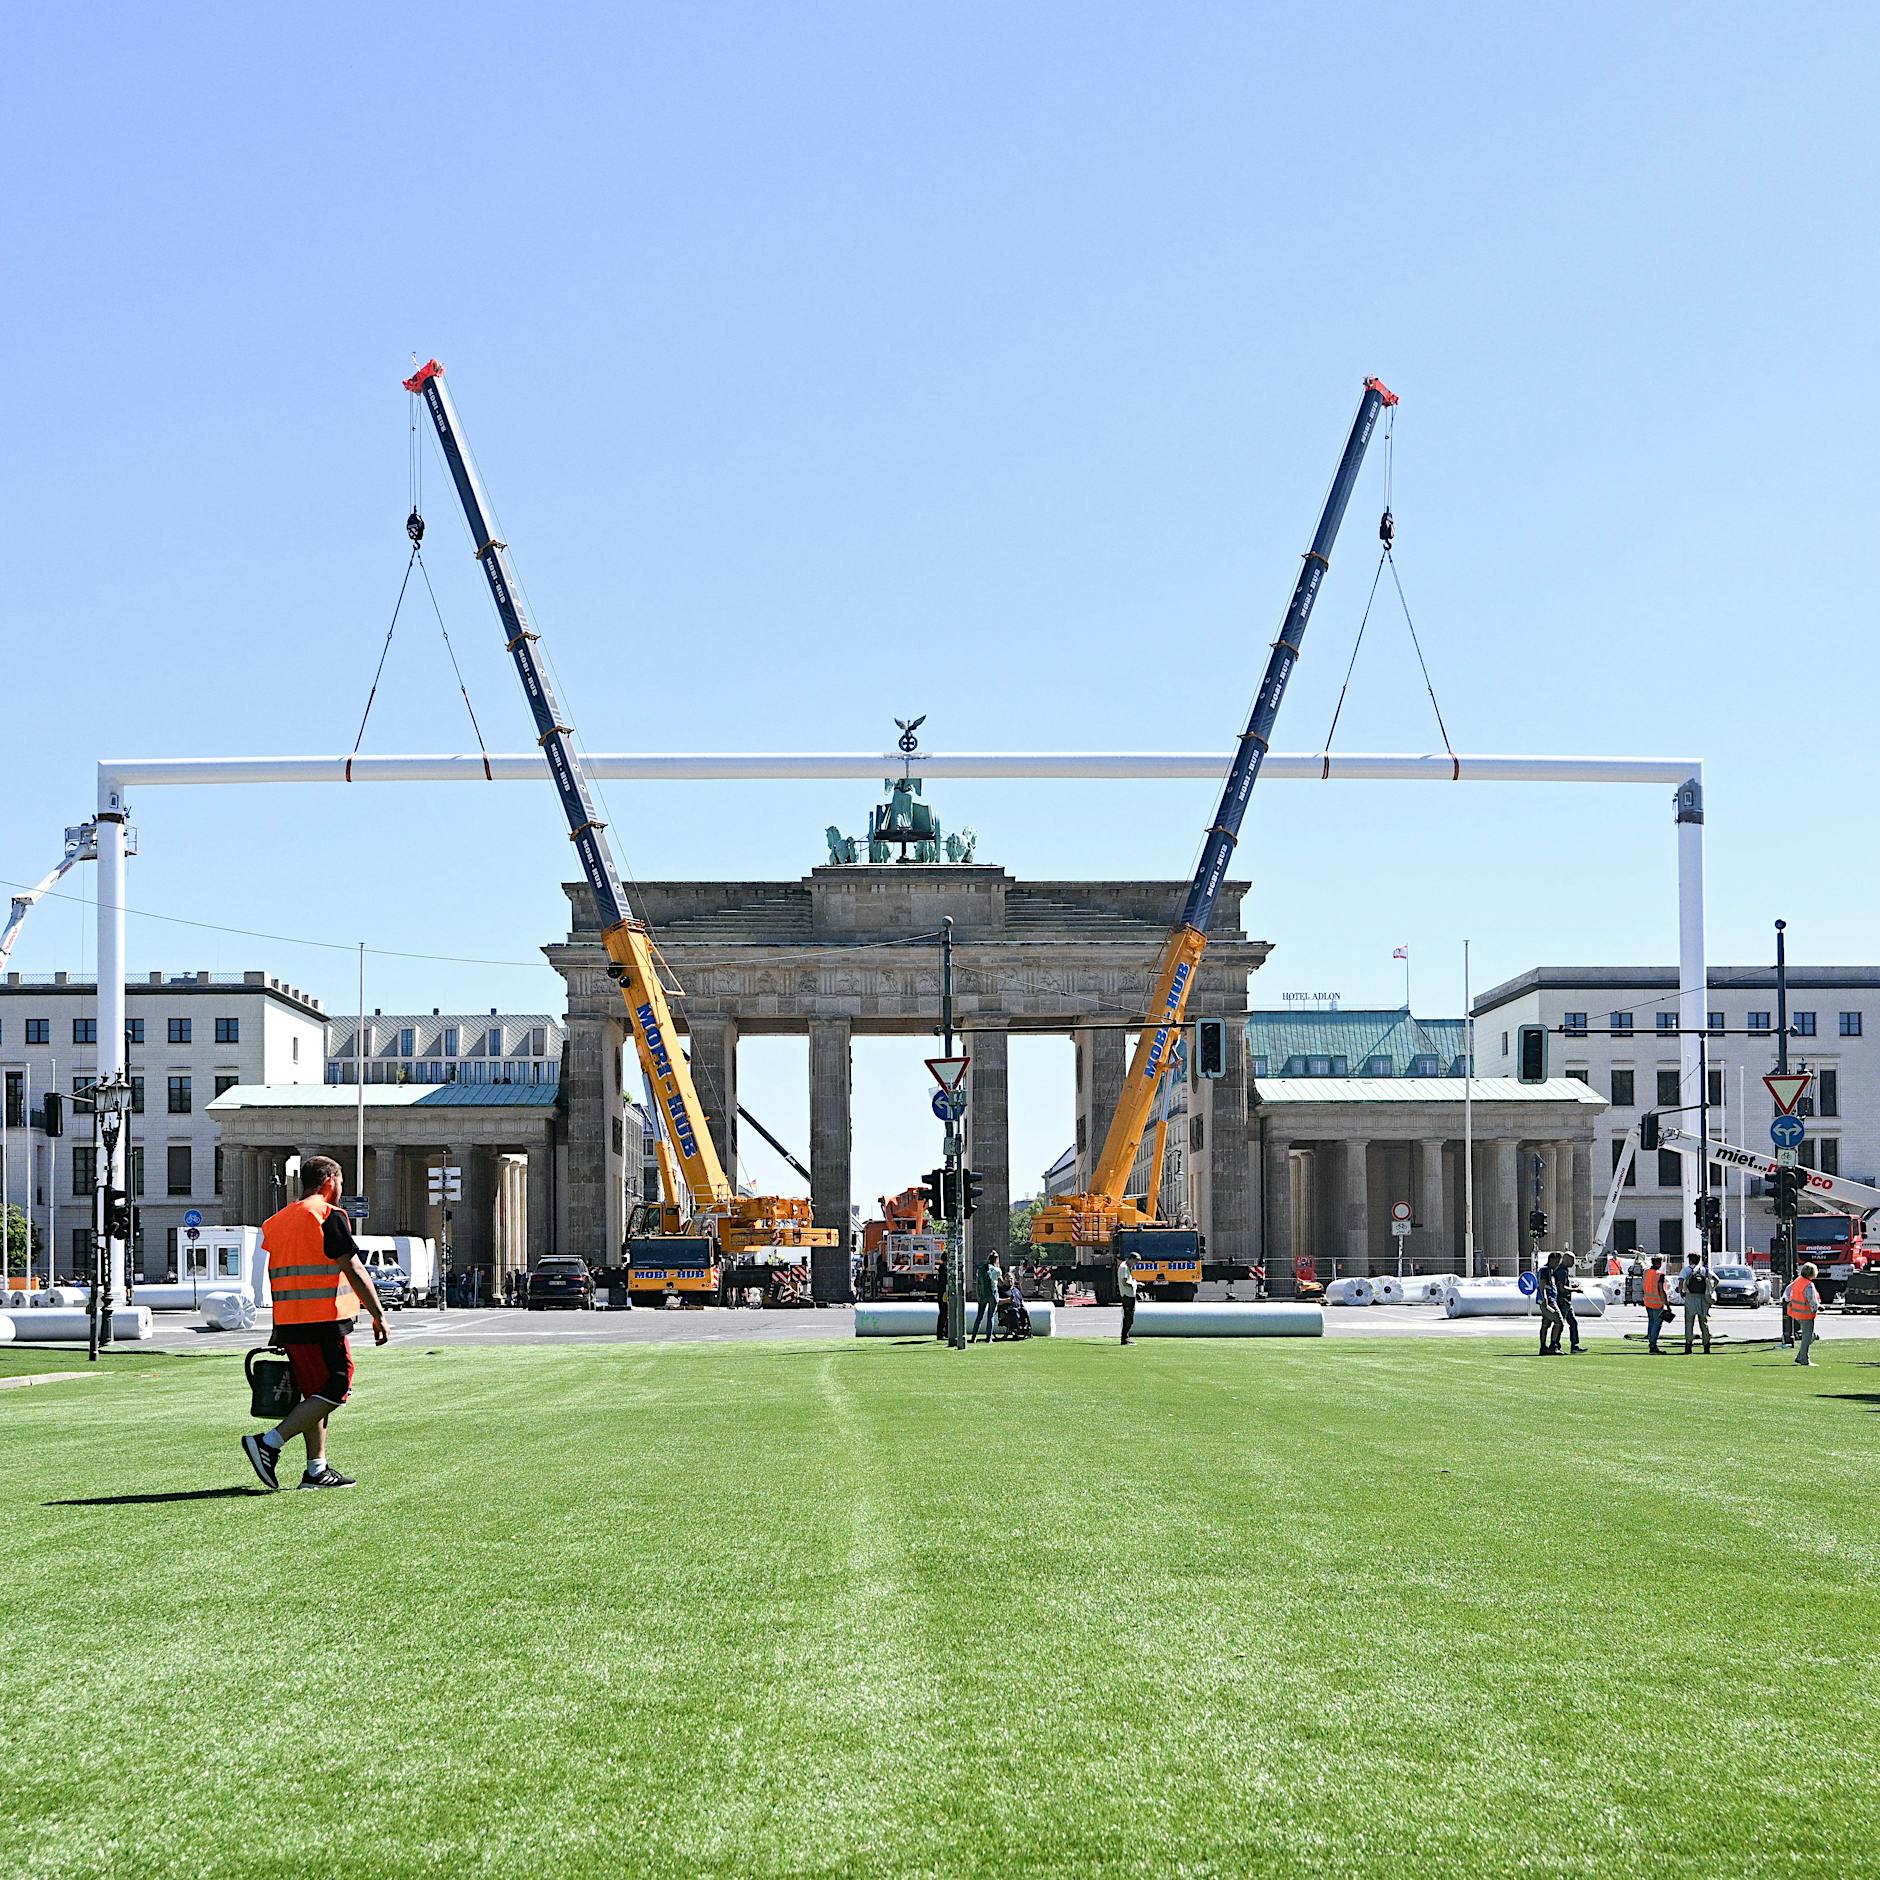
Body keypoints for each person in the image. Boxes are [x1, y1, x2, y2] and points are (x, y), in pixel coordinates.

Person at [242, 1156, 388, 1491]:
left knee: (315, 1394)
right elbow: (354, 1269)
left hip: (292, 1323)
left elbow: (278, 1278)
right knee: (336, 1388)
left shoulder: (277, 1221)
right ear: (330, 1180)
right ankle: (269, 1443)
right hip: (324, 1319)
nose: (341, 1190)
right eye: (341, 1182)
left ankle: (316, 1470)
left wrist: (277, 1328)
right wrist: (378, 1314)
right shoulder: (326, 1215)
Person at [1787, 1262, 1822, 1366]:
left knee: (1812, 1335)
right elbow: (1812, 1300)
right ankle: (1804, 1359)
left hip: (1797, 1312)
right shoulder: (1808, 1284)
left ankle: (1800, 1356)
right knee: (1808, 1336)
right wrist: (1818, 1307)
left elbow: (1788, 1291)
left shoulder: (1798, 1281)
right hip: (1806, 1313)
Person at [1681, 1254, 1713, 1355]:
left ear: (1690, 1260)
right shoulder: (1705, 1270)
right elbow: (1716, 1279)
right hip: (1703, 1298)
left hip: (1690, 1297)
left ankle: (1688, 1346)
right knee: (1703, 1323)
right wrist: (1711, 1289)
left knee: (1689, 1323)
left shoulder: (1686, 1270)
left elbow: (1681, 1280)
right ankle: (1706, 1346)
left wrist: (1682, 1291)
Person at [969, 1252, 1003, 1343]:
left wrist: (979, 1295)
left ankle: (973, 1337)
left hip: (983, 1294)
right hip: (992, 1294)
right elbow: (1001, 1282)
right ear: (996, 1260)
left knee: (979, 1316)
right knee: (990, 1316)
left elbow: (978, 1282)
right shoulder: (997, 1270)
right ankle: (988, 1337)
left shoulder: (982, 1269)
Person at [1554, 1252, 1583, 1354]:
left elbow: (1564, 1284)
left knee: (1572, 1323)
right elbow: (1561, 1288)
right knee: (1561, 1324)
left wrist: (1573, 1286)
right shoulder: (1562, 1271)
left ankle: (1574, 1346)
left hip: (1566, 1301)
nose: (1573, 1263)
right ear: (1566, 1260)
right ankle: (1556, 1345)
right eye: (1572, 1260)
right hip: (1563, 1301)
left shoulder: (1563, 1270)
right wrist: (1575, 1290)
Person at [1537, 1254, 1564, 1356]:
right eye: (1557, 1262)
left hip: (1548, 1300)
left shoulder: (1549, 1271)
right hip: (1548, 1301)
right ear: (1551, 1260)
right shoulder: (1545, 1270)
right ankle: (1553, 1346)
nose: (1557, 1264)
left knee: (1545, 1324)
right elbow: (1542, 1285)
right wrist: (1545, 1300)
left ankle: (1543, 1347)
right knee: (1559, 1322)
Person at [1642, 1255, 1669, 1354]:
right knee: (1657, 1325)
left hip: (1648, 1301)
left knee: (1651, 1323)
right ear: (1659, 1263)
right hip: (1657, 1303)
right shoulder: (1660, 1274)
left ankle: (1651, 1344)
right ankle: (1653, 1346)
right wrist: (1667, 1304)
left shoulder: (1646, 1272)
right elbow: (1661, 1291)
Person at [1117, 1250, 1138, 1345]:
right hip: (1127, 1296)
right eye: (1135, 1262)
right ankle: (1124, 1339)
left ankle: (1126, 1338)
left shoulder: (1126, 1267)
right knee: (1128, 1318)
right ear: (1131, 1259)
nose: (1136, 1264)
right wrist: (1134, 1285)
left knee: (1129, 1318)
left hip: (1129, 1295)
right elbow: (1124, 1282)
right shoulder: (1124, 1267)